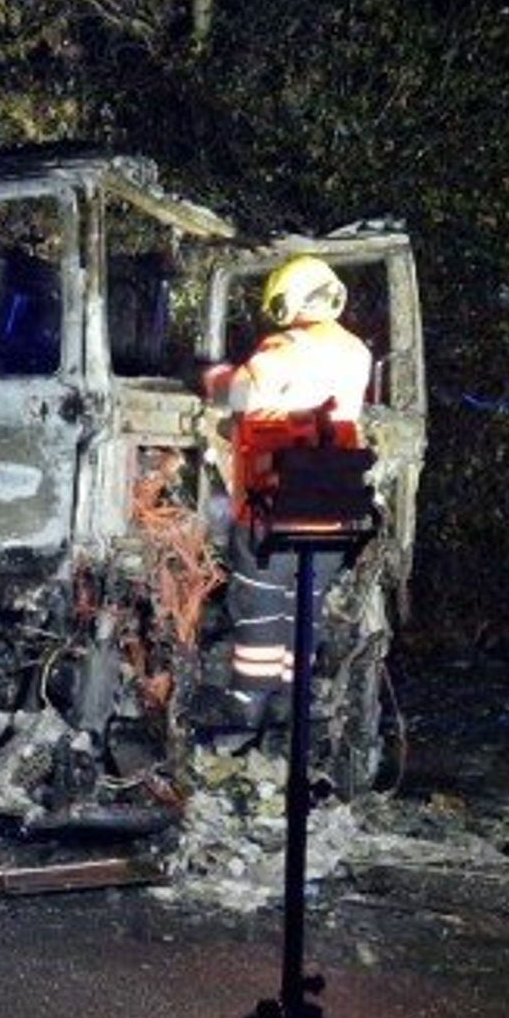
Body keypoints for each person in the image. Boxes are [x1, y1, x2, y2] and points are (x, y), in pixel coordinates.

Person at [194, 254, 373, 731]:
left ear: (288, 298)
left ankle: (246, 706)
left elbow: (239, 395)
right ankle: (289, 707)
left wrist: (212, 376)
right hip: (334, 494)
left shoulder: (286, 348)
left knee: (261, 604)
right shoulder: (356, 351)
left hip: (281, 493)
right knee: (305, 603)